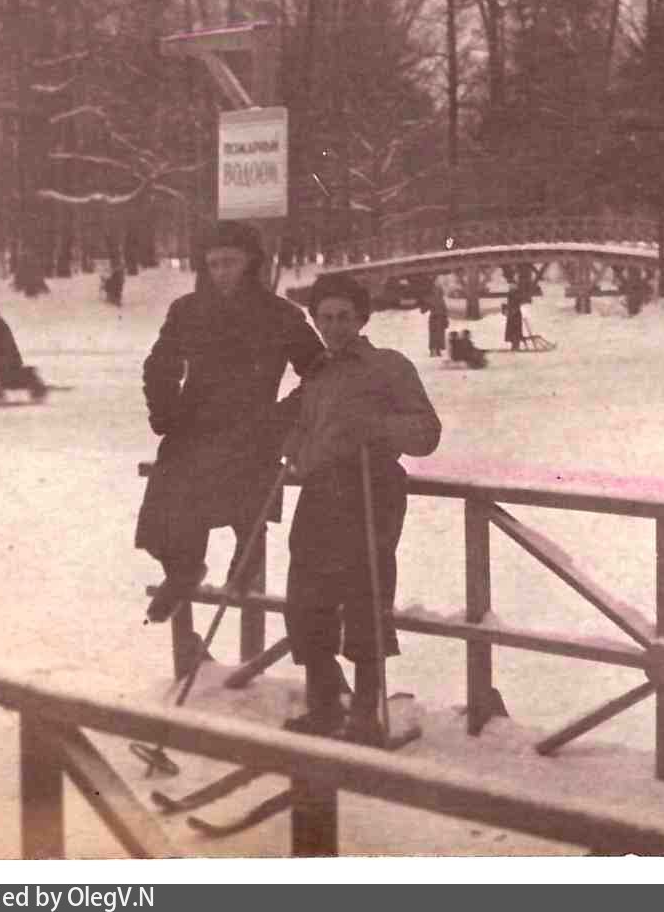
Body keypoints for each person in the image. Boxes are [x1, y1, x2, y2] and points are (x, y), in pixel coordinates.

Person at [276, 273, 442, 745]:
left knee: (365, 595)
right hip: (318, 492)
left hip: (371, 489)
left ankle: (366, 714)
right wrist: (293, 445)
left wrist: (380, 427)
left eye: (343, 317)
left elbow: (427, 431)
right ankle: (326, 703)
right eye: (324, 318)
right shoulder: (316, 374)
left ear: (362, 318)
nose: (334, 326)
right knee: (306, 598)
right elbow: (298, 427)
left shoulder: (389, 366)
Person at [137, 221, 325, 625]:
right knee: (165, 516)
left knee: (247, 502)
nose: (221, 272)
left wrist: (282, 417)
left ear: (251, 262)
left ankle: (246, 559)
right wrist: (165, 412)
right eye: (213, 264)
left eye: (230, 263)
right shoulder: (187, 310)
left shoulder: (280, 315)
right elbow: (159, 365)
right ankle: (183, 569)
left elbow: (320, 372)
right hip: (193, 426)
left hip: (253, 427)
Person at [0, 309, 47, 401]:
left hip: (5, 355)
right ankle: (2, 394)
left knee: (3, 374)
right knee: (4, 374)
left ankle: (1, 395)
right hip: (7, 354)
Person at [425, 289, 449, 358]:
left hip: (439, 319)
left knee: (438, 335)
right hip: (435, 319)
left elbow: (445, 310)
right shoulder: (432, 299)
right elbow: (424, 309)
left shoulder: (440, 300)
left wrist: (445, 320)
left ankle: (437, 351)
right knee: (434, 335)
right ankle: (433, 351)